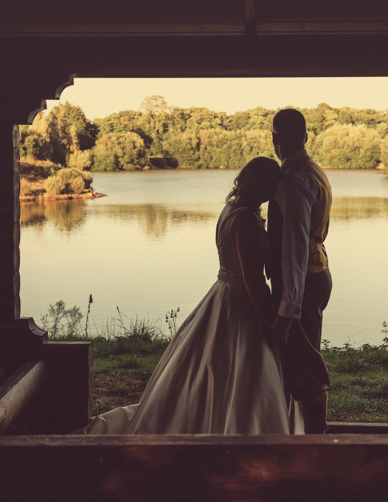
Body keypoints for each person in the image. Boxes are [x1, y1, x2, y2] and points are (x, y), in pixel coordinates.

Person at [79, 157, 303, 434]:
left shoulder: (231, 209)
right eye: (273, 186)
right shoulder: (244, 218)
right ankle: (238, 425)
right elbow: (251, 276)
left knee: (221, 365)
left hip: (223, 292)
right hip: (241, 299)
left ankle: (223, 418)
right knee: (240, 364)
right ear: (264, 186)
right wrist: (271, 320)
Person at [267, 108, 333, 434]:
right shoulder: (315, 170)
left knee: (305, 368)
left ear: (275, 140)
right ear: (306, 137)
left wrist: (287, 310)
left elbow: (293, 247)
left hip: (303, 281)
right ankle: (304, 436)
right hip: (316, 272)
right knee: (304, 360)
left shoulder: (294, 181)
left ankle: (316, 445)